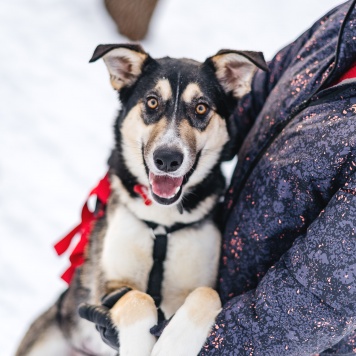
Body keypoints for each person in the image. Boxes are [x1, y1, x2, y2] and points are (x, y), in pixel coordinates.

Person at [79, 1, 356, 354]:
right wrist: (132, 167)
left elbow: (323, 299)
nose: (170, 145)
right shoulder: (345, 22)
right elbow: (265, 91)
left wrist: (209, 345)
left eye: (198, 110)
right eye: (153, 105)